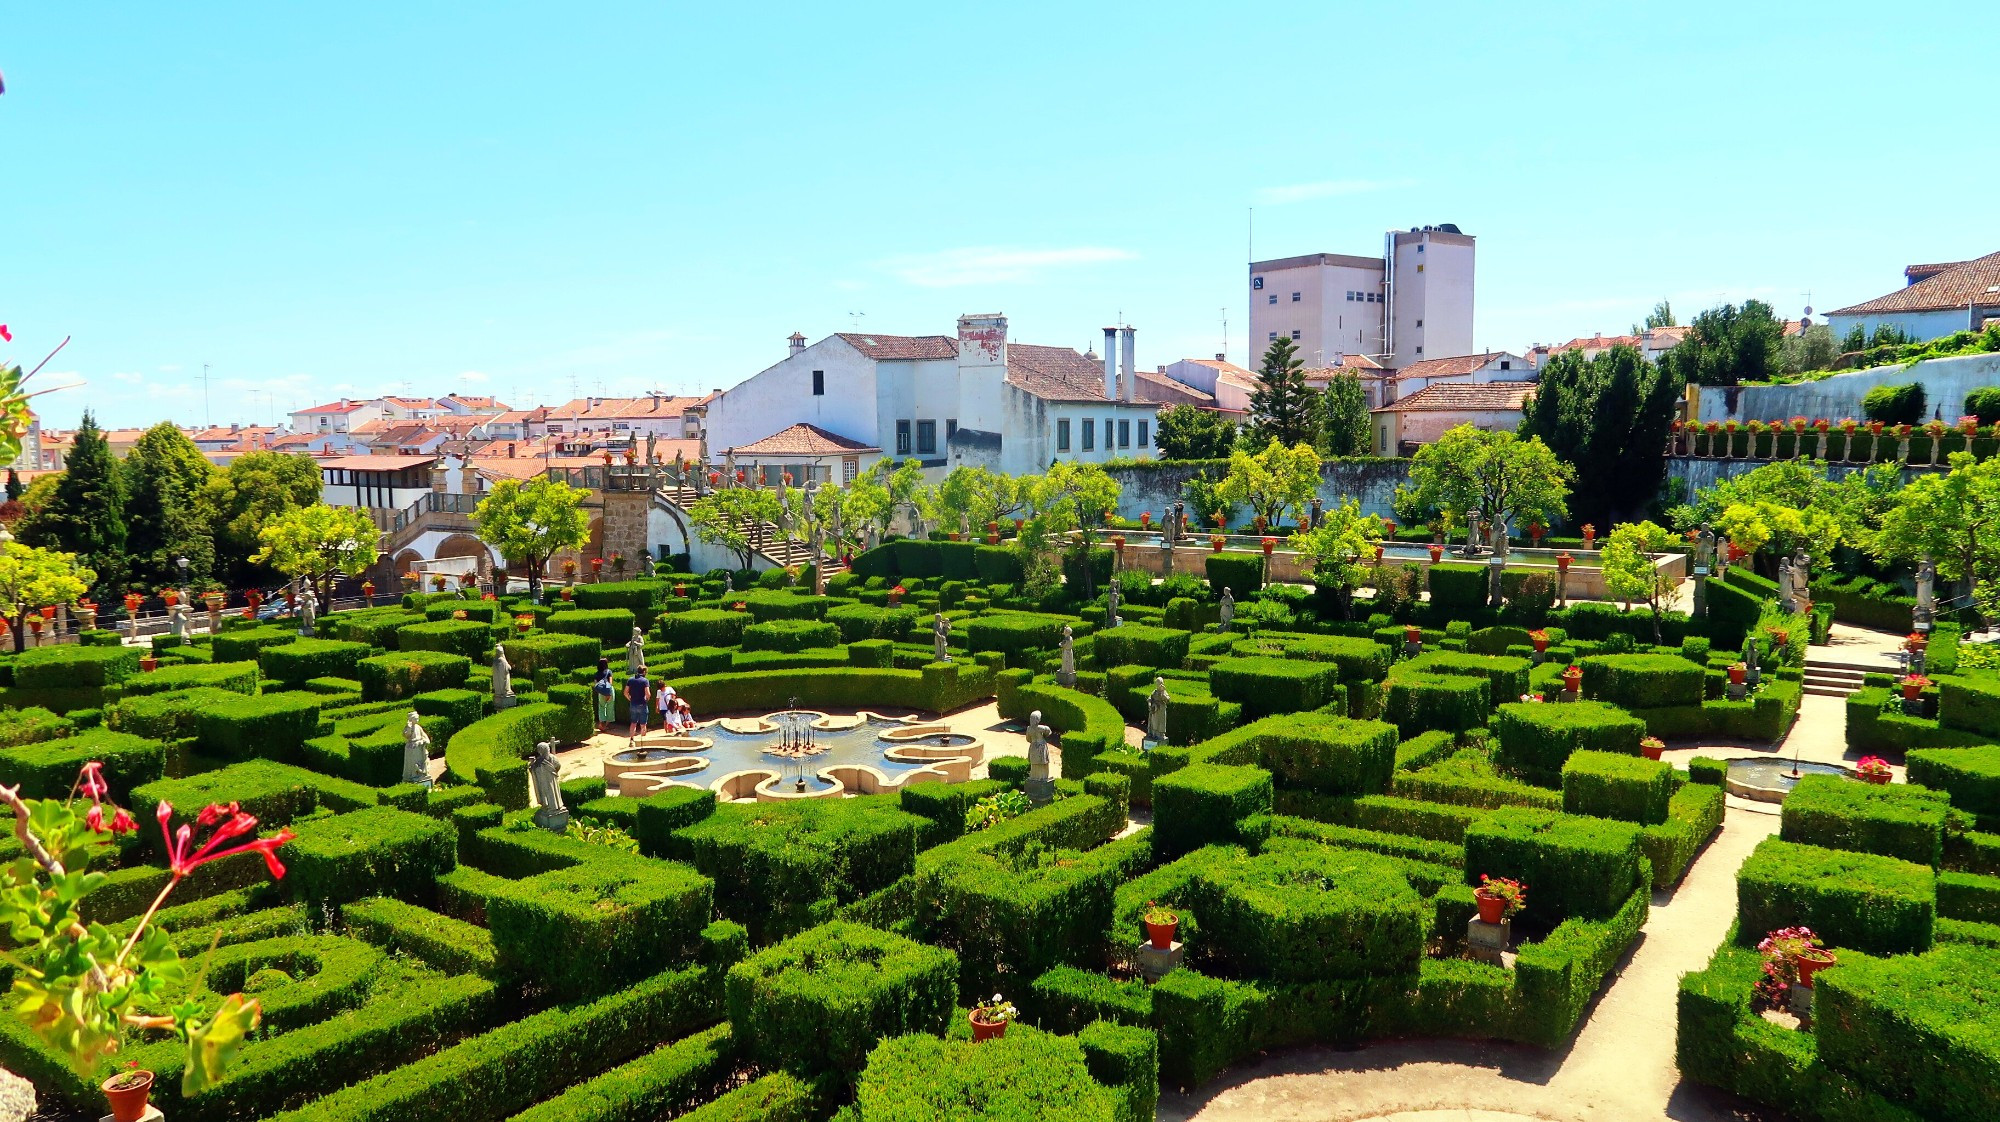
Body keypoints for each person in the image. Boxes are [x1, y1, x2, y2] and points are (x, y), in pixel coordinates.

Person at [624, 668, 651, 742]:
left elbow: (625, 692)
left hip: (633, 704)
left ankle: (632, 740)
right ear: (644, 672)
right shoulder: (645, 681)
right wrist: (646, 700)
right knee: (643, 724)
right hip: (642, 704)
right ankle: (643, 742)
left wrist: (630, 699)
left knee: (633, 723)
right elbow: (648, 694)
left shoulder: (630, 680)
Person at [591, 658, 615, 730]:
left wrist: (602, 692)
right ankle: (607, 724)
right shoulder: (609, 672)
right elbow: (610, 683)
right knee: (610, 707)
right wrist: (608, 693)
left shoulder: (596, 674)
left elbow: (596, 685)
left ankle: (601, 723)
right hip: (609, 691)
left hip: (601, 693)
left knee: (601, 707)